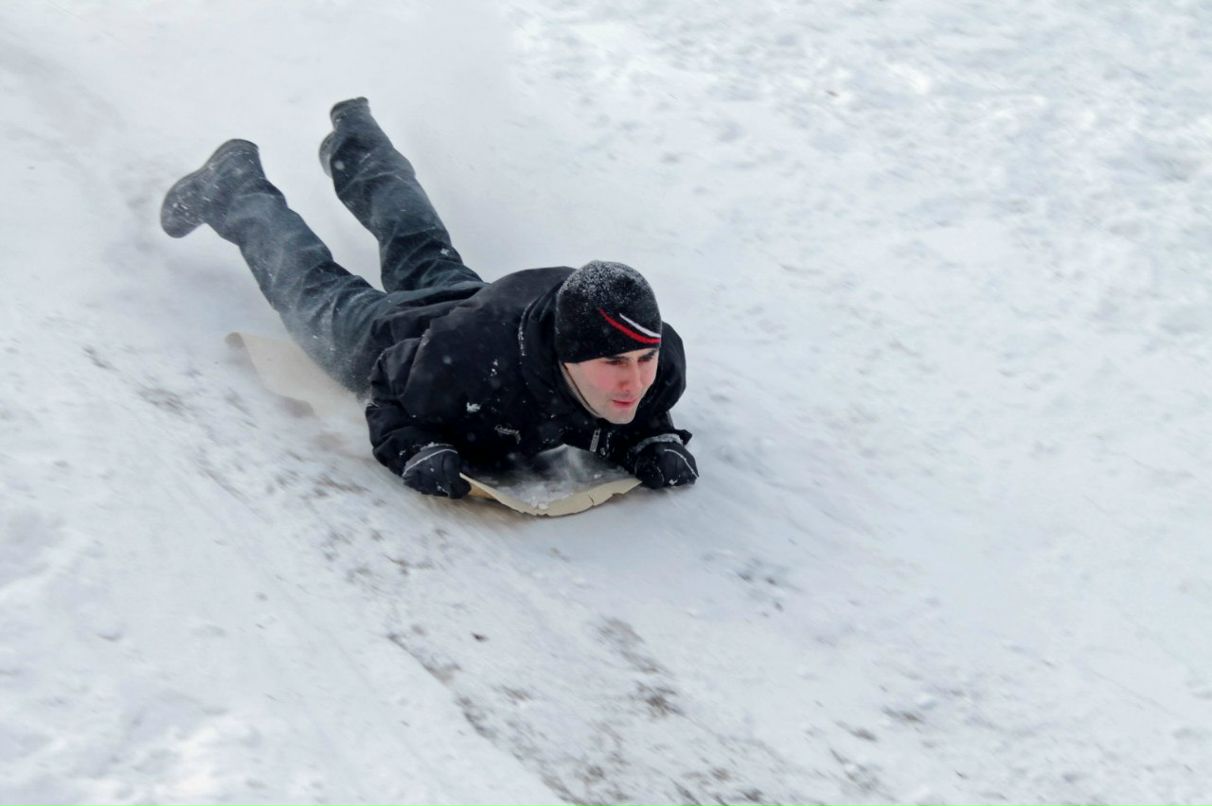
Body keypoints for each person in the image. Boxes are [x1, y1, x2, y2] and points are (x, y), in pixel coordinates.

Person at [160, 97, 698, 499]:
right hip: (392, 338)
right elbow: (386, 394)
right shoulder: (468, 370)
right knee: (310, 282)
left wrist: (649, 440)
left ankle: (357, 143)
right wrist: (415, 447)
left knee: (418, 241)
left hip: (471, 298)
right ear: (567, 355)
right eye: (613, 362)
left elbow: (640, 403)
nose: (636, 379)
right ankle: (234, 186)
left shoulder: (657, 364)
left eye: (642, 357)